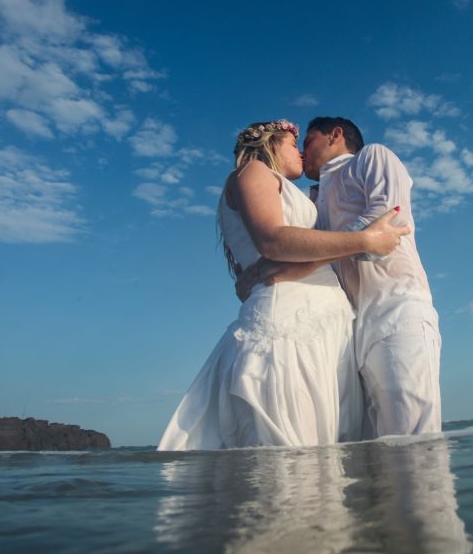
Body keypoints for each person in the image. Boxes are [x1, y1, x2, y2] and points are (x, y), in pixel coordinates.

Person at [157, 120, 409, 450]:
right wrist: (365, 240)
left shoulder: (294, 191)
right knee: (292, 453)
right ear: (271, 144)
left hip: (325, 326)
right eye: (294, 144)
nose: (302, 152)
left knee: (333, 457)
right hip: (291, 322)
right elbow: (273, 239)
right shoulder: (255, 173)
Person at [238, 117, 443, 439]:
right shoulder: (313, 198)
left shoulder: (372, 156)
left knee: (411, 435)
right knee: (366, 444)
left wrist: (305, 262)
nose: (303, 153)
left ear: (335, 135)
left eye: (307, 142)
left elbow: (389, 220)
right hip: (344, 327)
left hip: (396, 307)